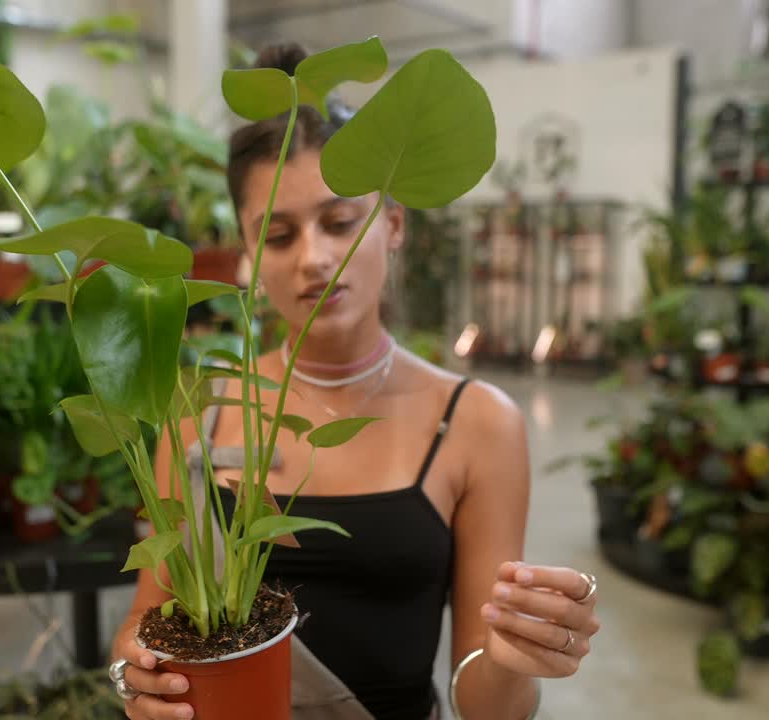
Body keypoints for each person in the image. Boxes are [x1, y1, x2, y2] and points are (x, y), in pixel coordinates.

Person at [108, 43, 601, 720]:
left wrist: (515, 659)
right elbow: (146, 618)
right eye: (278, 236)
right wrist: (134, 680)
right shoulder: (201, 411)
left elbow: (486, 701)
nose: (315, 258)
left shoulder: (476, 422)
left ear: (393, 224)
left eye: (341, 222)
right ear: (247, 255)